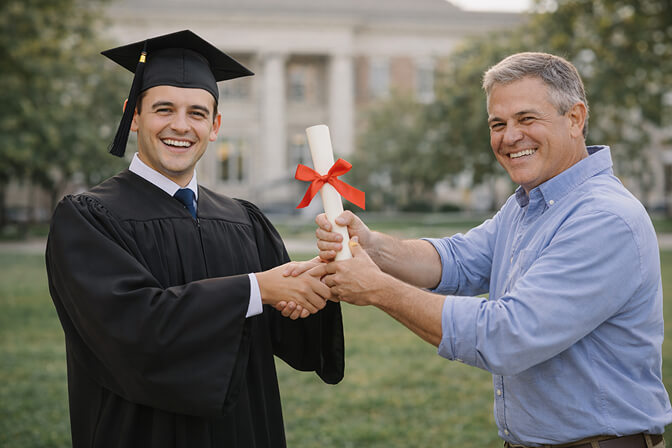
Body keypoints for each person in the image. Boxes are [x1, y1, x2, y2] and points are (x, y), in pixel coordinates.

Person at [307, 52, 672, 447]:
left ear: (575, 118)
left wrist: (378, 289)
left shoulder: (604, 219)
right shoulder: (529, 204)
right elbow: (457, 261)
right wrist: (372, 245)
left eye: (527, 119)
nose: (510, 136)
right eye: (498, 124)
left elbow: (508, 336)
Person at [45, 30, 343, 448]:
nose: (181, 126)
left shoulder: (244, 220)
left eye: (198, 113)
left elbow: (291, 334)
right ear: (133, 115)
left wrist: (321, 277)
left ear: (216, 126)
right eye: (163, 109)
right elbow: (133, 328)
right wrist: (258, 288)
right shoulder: (89, 219)